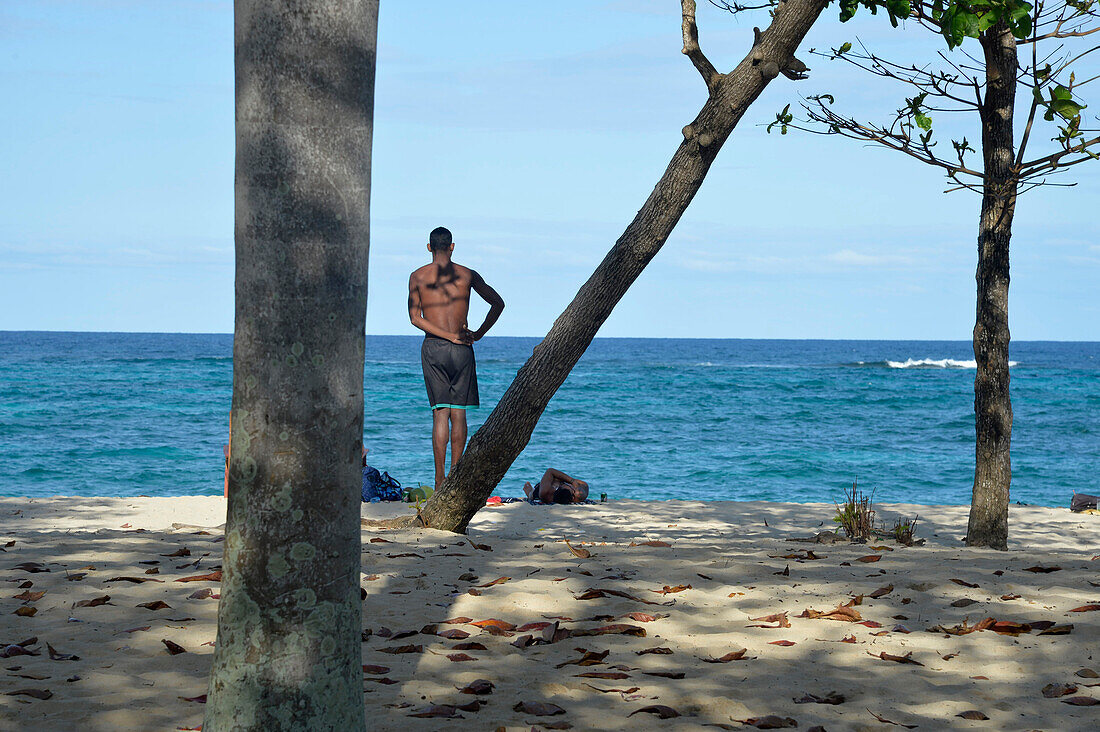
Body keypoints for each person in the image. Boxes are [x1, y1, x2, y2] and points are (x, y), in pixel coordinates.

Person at [408, 226, 505, 489]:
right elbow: (498, 303)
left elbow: (415, 318)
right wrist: (480, 333)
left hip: (434, 348)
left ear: (429, 247)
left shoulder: (417, 276)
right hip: (462, 346)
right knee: (459, 413)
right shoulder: (467, 274)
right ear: (452, 246)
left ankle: (439, 480)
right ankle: (455, 477)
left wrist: (446, 337)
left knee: (441, 413)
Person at [524, 468, 590, 504]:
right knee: (557, 480)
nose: (571, 486)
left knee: (530, 493)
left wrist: (572, 481)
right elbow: (585, 485)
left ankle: (530, 491)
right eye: (570, 486)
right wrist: (573, 482)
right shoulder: (577, 495)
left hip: (538, 491)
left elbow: (550, 471)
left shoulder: (545, 492)